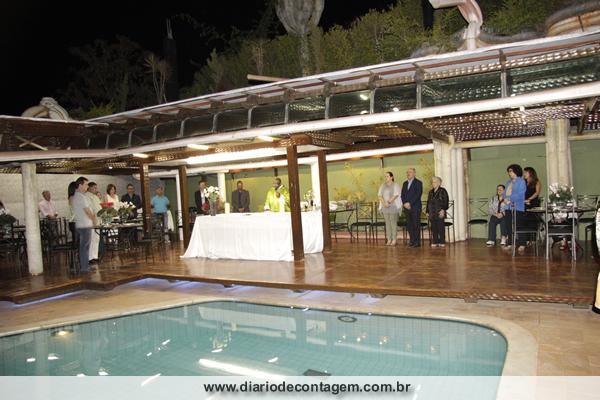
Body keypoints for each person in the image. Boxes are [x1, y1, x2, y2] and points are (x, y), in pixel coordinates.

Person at [71, 176, 96, 273]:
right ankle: (84, 267)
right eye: (86, 184)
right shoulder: (80, 196)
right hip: (84, 224)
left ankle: (85, 266)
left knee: (85, 247)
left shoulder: (79, 196)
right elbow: (87, 210)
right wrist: (93, 219)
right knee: (84, 247)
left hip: (83, 224)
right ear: (80, 185)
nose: (87, 186)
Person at [503, 164, 527, 252]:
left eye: (511, 171)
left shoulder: (521, 182)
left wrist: (509, 199)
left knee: (519, 225)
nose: (509, 173)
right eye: (509, 171)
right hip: (508, 207)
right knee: (508, 226)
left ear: (516, 171)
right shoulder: (508, 182)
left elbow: (520, 195)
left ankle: (522, 244)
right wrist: (505, 199)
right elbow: (504, 194)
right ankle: (510, 243)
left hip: (518, 207)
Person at [378, 172, 402, 246]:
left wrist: (388, 202)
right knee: (387, 224)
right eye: (385, 176)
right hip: (385, 207)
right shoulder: (382, 185)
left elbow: (396, 195)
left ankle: (394, 239)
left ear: (392, 177)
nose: (386, 178)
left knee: (393, 223)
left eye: (387, 176)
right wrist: (384, 203)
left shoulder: (395, 185)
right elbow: (379, 195)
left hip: (393, 207)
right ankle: (389, 239)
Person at [401, 168, 423, 247]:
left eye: (410, 172)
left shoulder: (418, 183)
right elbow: (402, 195)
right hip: (407, 208)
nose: (408, 173)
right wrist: (404, 203)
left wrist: (409, 203)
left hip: (415, 207)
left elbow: (418, 194)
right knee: (409, 225)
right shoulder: (405, 183)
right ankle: (412, 241)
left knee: (416, 225)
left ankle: (417, 242)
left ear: (414, 173)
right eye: (407, 172)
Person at [426, 176, 449, 247]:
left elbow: (446, 201)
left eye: (435, 182)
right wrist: (427, 211)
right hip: (432, 212)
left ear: (439, 183)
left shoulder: (443, 190)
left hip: (439, 212)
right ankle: (435, 241)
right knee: (434, 228)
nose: (433, 183)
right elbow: (428, 202)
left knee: (440, 227)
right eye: (432, 182)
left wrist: (443, 210)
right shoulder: (430, 192)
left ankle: (442, 241)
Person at [86, 182, 103, 263]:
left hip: (98, 219)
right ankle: (89, 257)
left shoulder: (95, 196)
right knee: (91, 238)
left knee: (96, 238)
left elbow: (99, 206)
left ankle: (95, 256)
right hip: (91, 220)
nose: (96, 189)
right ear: (89, 188)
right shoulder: (86, 196)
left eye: (96, 188)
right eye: (94, 187)